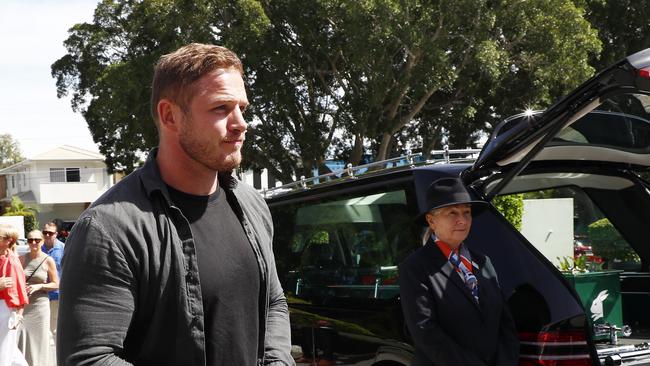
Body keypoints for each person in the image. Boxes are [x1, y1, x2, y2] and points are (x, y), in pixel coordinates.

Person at [58, 43, 294, 366]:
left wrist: (277, 362)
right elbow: (89, 358)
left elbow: (274, 302)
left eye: (242, 108)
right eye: (221, 108)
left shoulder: (252, 206)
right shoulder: (109, 229)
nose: (241, 123)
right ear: (170, 116)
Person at [398, 177, 519, 366]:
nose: (462, 220)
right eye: (452, 213)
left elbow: (505, 323)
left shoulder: (483, 262)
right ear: (431, 220)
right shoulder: (415, 267)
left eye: (467, 212)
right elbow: (425, 331)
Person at [20, 229, 59, 366]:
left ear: (42, 241)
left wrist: (39, 286)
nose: (34, 243)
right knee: (22, 337)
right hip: (24, 305)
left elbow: (56, 284)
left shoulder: (48, 260)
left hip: (40, 305)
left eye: (37, 240)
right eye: (30, 240)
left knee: (39, 339)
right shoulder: (22, 258)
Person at [0, 224, 29, 366]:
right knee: (10, 354)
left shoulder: (11, 261)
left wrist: (19, 313)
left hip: (5, 310)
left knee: (5, 353)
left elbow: (19, 290)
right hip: (5, 310)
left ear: (8, 241)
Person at [41, 221, 64, 337]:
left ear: (56, 234)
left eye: (50, 233)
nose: (47, 235)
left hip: (58, 293)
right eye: (45, 232)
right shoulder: (38, 249)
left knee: (56, 325)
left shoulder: (63, 249)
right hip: (42, 293)